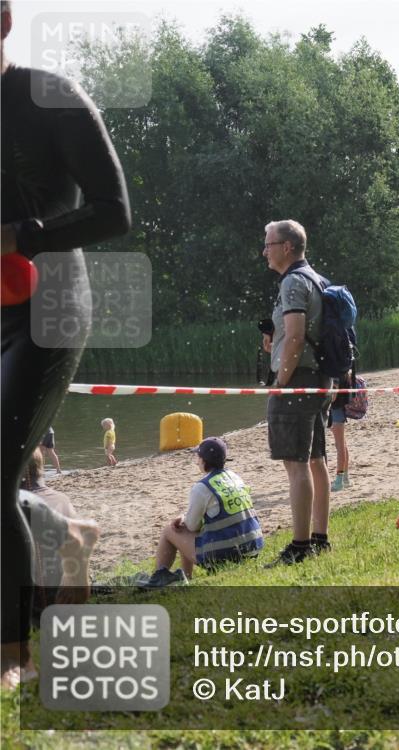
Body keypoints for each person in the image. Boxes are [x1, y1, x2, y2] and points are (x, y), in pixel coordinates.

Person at [1, 0, 131, 687]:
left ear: (3, 21)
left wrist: (24, 235)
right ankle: (63, 533)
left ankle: (13, 656)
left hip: (51, 307)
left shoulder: (48, 99)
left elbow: (114, 211)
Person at [262, 219, 333, 564]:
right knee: (316, 459)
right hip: (320, 380)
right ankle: (319, 538)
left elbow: (295, 336)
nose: (265, 251)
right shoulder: (317, 279)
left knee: (296, 463)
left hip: (297, 382)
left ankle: (300, 546)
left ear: (287, 246)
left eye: (269, 244)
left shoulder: (292, 281)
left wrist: (280, 381)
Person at [146, 438, 264, 588]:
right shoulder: (235, 477)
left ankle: (158, 578)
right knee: (187, 528)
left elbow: (192, 526)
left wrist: (183, 519)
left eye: (198, 457)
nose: (197, 461)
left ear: (203, 460)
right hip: (252, 549)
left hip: (225, 556)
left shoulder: (202, 487)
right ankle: (185, 576)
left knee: (171, 530)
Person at [19, 449, 98, 608]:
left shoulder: (22, 505)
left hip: (33, 601)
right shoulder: (61, 499)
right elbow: (89, 531)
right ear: (40, 470)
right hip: (59, 591)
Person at [328, 396, 351, 492]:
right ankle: (344, 478)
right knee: (341, 443)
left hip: (336, 407)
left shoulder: (336, 380)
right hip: (338, 407)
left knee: (340, 444)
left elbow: (333, 397)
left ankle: (340, 480)